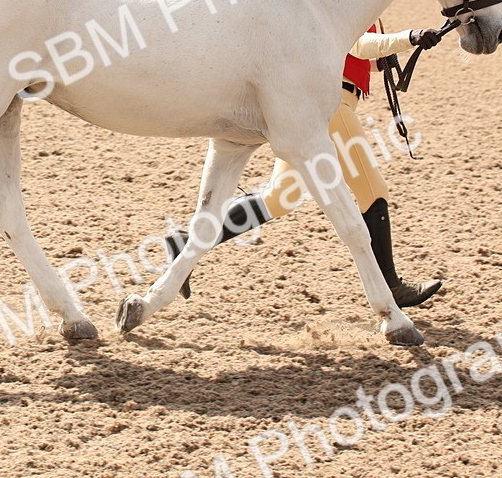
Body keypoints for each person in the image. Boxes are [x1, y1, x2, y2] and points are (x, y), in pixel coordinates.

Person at [167, 24, 445, 307]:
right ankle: (391, 286)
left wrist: (391, 55)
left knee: (280, 197)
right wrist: (407, 38)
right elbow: (359, 42)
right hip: (333, 105)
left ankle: (186, 243)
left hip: (317, 103)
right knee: (372, 189)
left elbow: (359, 56)